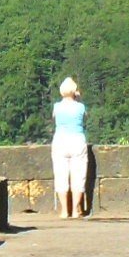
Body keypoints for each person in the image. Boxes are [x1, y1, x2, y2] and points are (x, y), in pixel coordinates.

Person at [51, 77, 89, 219]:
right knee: (78, 176)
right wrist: (78, 99)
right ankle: (75, 210)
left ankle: (64, 210)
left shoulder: (57, 107)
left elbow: (54, 118)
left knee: (61, 176)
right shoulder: (80, 106)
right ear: (74, 91)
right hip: (77, 140)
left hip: (60, 140)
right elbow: (85, 117)